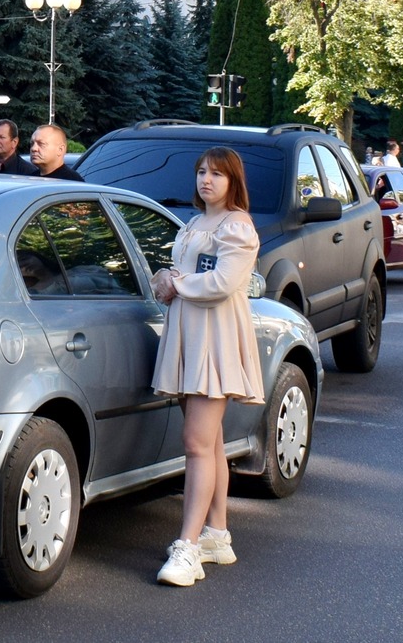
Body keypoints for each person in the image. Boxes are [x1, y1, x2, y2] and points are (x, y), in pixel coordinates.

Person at [150, 147, 264, 587]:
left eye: (217, 174)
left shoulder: (237, 225)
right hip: (190, 333)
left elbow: (223, 282)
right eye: (201, 172)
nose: (206, 180)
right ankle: (216, 535)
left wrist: (177, 283)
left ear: (233, 180)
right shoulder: (196, 222)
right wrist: (167, 277)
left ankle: (189, 547)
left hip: (214, 336)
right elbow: (188, 272)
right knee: (209, 440)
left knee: (196, 443)